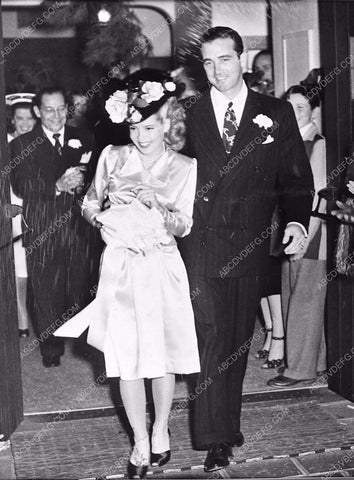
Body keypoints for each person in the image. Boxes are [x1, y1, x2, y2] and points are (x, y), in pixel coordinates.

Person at [178, 26, 314, 472]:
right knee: (212, 337)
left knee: (237, 339)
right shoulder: (188, 113)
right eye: (208, 62)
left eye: (225, 59)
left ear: (242, 59)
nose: (217, 70)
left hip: (251, 244)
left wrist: (296, 220)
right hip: (199, 243)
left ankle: (226, 419)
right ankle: (216, 438)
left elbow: (296, 179)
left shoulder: (274, 112)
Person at [54, 69, 200, 479]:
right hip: (120, 267)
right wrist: (99, 218)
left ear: (167, 124)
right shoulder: (112, 157)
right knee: (126, 358)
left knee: (161, 354)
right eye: (135, 126)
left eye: (150, 127)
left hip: (161, 267)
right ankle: (138, 440)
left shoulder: (184, 166)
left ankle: (160, 428)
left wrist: (159, 207)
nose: (141, 135)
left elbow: (185, 225)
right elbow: (88, 202)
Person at [10, 86, 94, 368]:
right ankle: (51, 348)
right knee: (45, 290)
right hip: (43, 226)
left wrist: (82, 180)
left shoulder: (83, 137)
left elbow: (97, 176)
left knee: (80, 284)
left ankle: (85, 344)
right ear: (37, 112)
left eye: (61, 109)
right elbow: (22, 185)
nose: (56, 116)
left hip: (78, 227)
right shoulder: (21, 145)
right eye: (49, 110)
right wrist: (56, 186)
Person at [268, 84, 327, 387]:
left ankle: (300, 369)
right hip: (292, 229)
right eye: (288, 107)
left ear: (314, 111)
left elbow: (319, 194)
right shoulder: (289, 141)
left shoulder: (317, 144)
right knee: (293, 294)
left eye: (300, 107)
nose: (293, 113)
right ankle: (307, 361)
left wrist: (306, 235)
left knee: (305, 298)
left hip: (311, 232)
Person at [6, 93, 37, 338]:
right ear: (12, 120)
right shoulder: (5, 144)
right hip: (10, 208)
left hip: (36, 208)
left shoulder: (40, 143)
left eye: (29, 119)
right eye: (20, 119)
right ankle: (21, 319)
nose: (25, 124)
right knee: (17, 263)